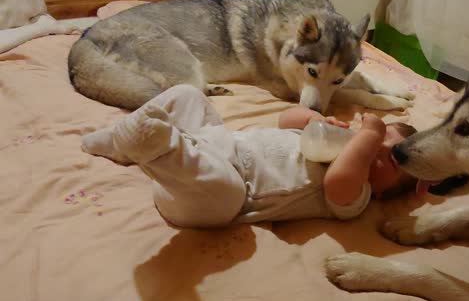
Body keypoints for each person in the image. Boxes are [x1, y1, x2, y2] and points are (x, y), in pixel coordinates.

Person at [82, 84, 418, 228]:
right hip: (215, 143)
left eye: (391, 160)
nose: (379, 149)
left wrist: (371, 134)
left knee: (226, 190)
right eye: (382, 139)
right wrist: (316, 121)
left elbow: (339, 182)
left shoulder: (357, 196)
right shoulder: (334, 143)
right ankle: (120, 141)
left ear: (385, 191)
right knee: (188, 95)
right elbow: (286, 120)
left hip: (209, 197)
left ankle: (154, 144)